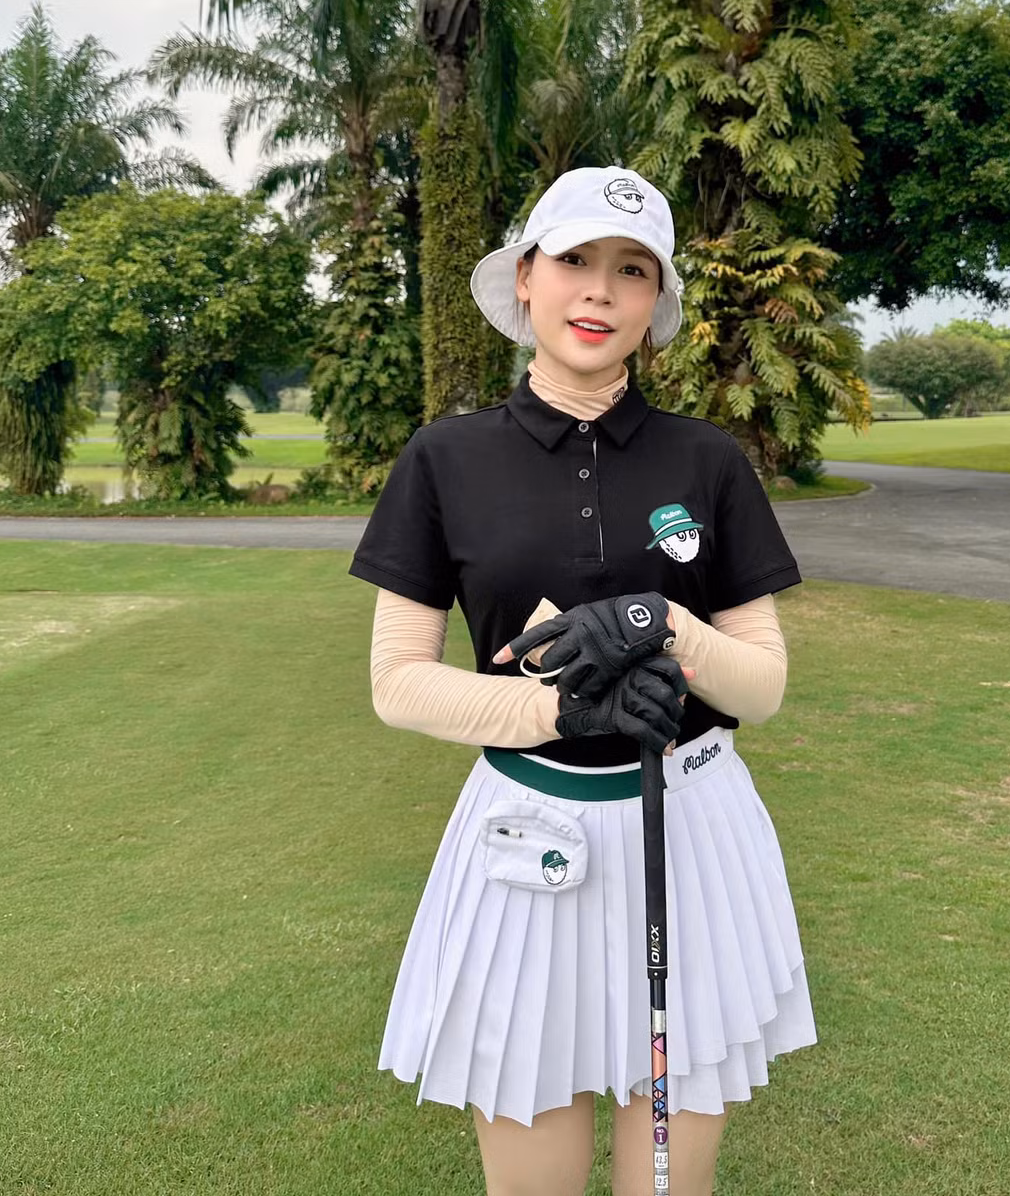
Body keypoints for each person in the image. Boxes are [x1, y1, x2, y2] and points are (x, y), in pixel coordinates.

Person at [349, 166, 816, 1196]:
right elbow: (398, 681)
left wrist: (667, 626)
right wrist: (559, 706)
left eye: (632, 269)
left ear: (657, 302)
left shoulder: (707, 460)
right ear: (526, 278)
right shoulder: (444, 458)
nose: (600, 290)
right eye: (574, 260)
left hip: (692, 828)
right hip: (526, 829)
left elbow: (763, 687)